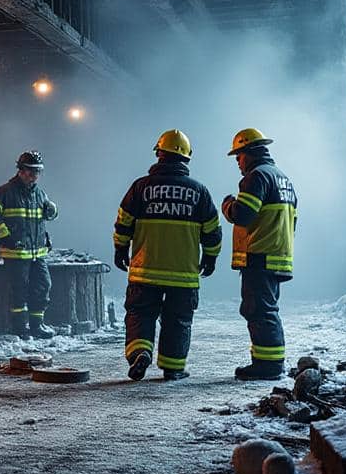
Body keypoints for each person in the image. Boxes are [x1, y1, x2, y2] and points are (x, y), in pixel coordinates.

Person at [112, 130, 222, 381]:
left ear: (158, 154)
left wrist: (120, 248)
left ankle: (141, 352)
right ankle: (173, 368)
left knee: (140, 313)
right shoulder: (199, 191)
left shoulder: (140, 187)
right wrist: (211, 257)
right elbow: (213, 230)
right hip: (183, 274)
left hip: (145, 269)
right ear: (186, 159)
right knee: (178, 320)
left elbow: (123, 222)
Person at [221, 127, 298, 380]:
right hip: (276, 255)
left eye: (239, 156)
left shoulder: (256, 177)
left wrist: (228, 204)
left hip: (259, 255)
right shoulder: (282, 178)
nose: (238, 163)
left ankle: (268, 365)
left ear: (249, 153)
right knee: (266, 309)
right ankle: (269, 362)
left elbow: (243, 214)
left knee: (259, 310)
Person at [0, 151, 59, 339]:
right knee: (20, 291)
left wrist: (53, 210)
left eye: (38, 172)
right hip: (15, 253)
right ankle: (20, 327)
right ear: (21, 171)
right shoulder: (5, 192)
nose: (35, 176)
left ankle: (37, 326)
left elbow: (49, 215)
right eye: (31, 172)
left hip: (37, 253)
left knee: (42, 286)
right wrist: (7, 237)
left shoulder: (40, 194)